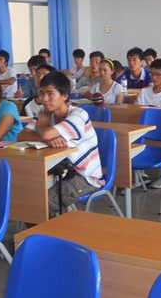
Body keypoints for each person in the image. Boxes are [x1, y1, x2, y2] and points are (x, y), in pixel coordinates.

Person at [17, 71, 103, 215]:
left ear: (64, 96)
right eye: (42, 93)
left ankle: (48, 229)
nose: (44, 99)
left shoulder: (78, 115)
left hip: (84, 176)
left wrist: (42, 128)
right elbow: (21, 136)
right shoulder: (45, 112)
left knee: (42, 203)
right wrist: (46, 138)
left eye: (50, 94)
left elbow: (46, 133)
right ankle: (42, 227)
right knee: (25, 195)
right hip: (58, 170)